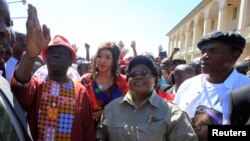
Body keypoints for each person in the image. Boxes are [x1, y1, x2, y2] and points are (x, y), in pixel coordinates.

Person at [11, 4, 95, 141]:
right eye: (52, 53)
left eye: (62, 53)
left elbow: (88, 131)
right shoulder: (37, 84)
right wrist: (30, 56)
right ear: (45, 59)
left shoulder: (81, 91)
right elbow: (18, 88)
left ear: (70, 62)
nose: (56, 55)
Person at [96, 55, 198, 141]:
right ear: (127, 80)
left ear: (156, 79)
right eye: (133, 73)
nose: (138, 76)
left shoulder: (172, 113)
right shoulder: (111, 109)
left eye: (144, 73)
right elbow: (100, 137)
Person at [174, 31, 250, 125]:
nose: (204, 57)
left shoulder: (246, 89)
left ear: (234, 56)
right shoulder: (187, 85)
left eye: (213, 51)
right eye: (203, 52)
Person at [80, 41, 129, 125]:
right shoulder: (86, 80)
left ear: (114, 61)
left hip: (114, 130)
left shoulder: (123, 82)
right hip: (87, 127)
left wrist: (106, 112)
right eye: (99, 56)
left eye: (107, 57)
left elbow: (129, 107)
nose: (102, 60)